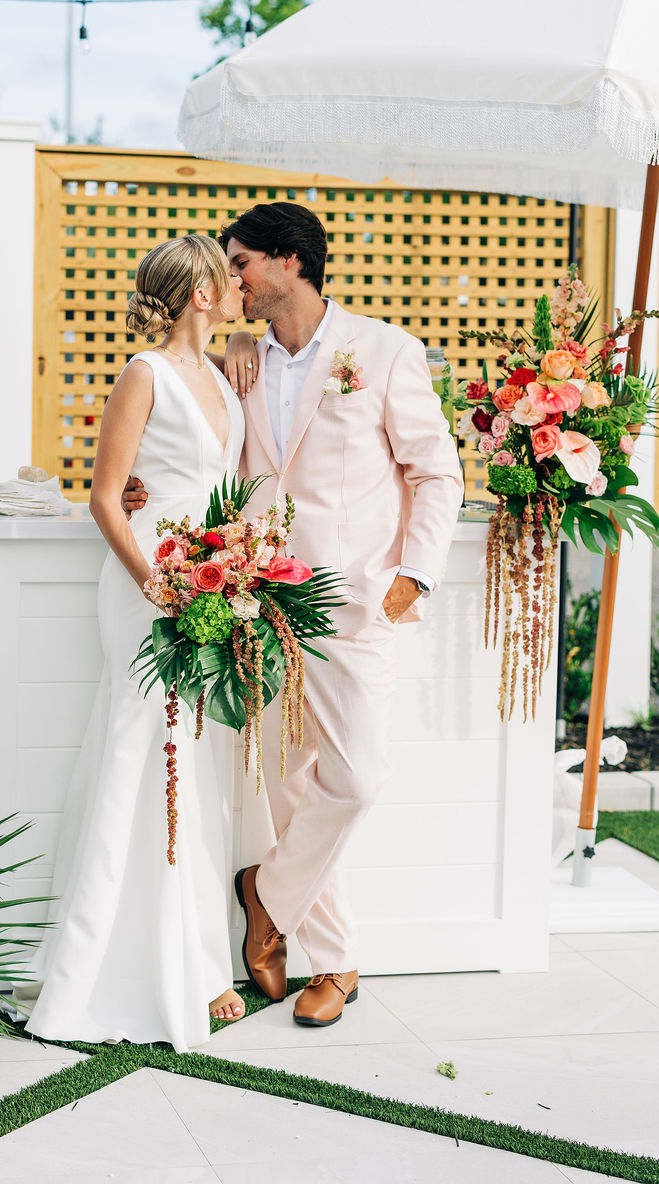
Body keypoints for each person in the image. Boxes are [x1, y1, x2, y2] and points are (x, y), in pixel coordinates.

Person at [126, 202, 463, 1028]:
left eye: (239, 262)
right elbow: (209, 464)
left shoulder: (384, 351)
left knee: (355, 779)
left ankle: (265, 896)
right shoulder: (237, 363)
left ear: (289, 262)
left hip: (356, 602)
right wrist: (143, 496)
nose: (228, 277)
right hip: (259, 605)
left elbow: (437, 472)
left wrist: (413, 575)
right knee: (288, 789)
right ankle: (337, 962)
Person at [26, 234, 247, 1052]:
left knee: (194, 761)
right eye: (223, 278)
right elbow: (106, 497)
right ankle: (110, 966)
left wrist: (230, 575)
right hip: (148, 585)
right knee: (144, 752)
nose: (235, 287)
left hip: (212, 586)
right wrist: (156, 581)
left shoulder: (223, 373)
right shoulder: (143, 373)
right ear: (198, 292)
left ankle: (196, 956)